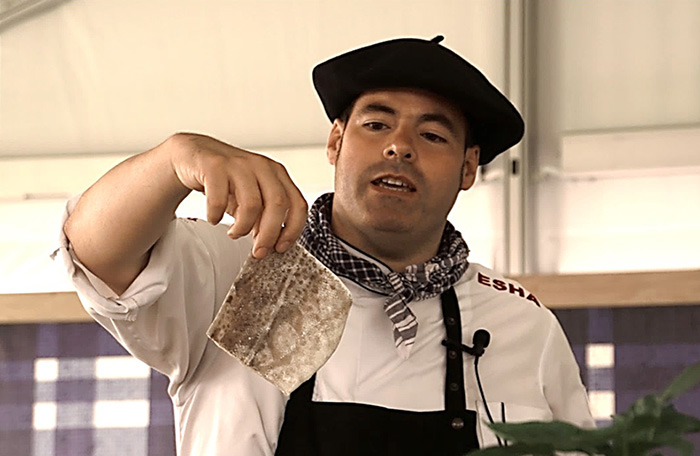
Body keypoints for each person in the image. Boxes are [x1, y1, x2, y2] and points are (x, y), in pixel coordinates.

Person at [55, 36, 594, 456]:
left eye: (432, 136)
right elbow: (95, 254)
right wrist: (175, 158)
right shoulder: (245, 265)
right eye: (377, 123)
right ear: (335, 142)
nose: (398, 146)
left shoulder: (522, 326)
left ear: (468, 167)